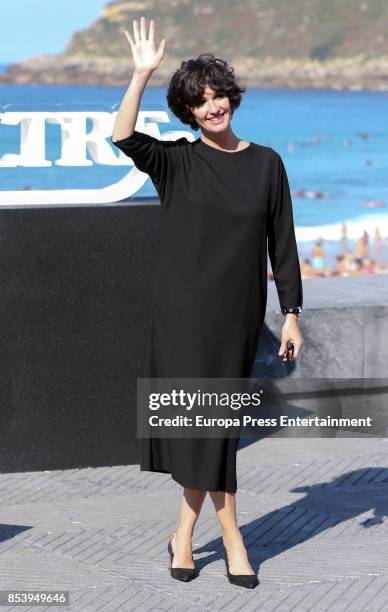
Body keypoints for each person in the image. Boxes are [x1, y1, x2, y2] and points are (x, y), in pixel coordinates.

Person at [111, 17, 303, 589]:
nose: (213, 107)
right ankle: (235, 541)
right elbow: (122, 136)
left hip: (237, 317)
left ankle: (183, 535)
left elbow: (284, 243)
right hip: (182, 317)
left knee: (209, 428)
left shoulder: (267, 164)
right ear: (189, 112)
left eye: (218, 96)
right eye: (201, 102)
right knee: (209, 428)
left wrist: (291, 312)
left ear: (231, 98)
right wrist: (141, 74)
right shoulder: (177, 162)